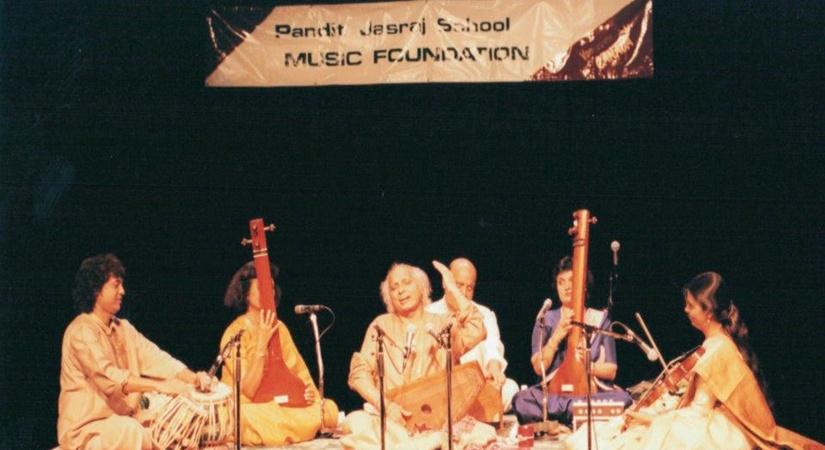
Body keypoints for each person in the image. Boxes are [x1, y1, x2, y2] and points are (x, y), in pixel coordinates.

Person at [565, 272, 824, 450]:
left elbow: (698, 413)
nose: (685, 310)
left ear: (708, 311)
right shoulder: (712, 344)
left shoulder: (719, 351)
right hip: (693, 418)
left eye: (690, 305)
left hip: (708, 431)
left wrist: (652, 420)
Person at [58, 254, 215, 450]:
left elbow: (157, 359)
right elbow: (109, 377)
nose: (122, 291)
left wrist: (193, 379)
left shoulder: (124, 328)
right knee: (131, 431)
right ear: (96, 290)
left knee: (177, 419)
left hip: (123, 420)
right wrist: (161, 386)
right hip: (88, 430)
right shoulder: (81, 331)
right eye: (116, 285)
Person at [341, 261, 490, 449]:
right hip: (392, 420)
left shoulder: (442, 324)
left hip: (437, 419)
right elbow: (358, 374)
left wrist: (453, 290)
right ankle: (425, 443)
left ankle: (423, 442)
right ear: (389, 297)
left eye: (406, 283)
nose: (400, 291)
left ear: (422, 288)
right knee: (355, 421)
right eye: (394, 288)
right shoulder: (381, 326)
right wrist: (386, 406)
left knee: (480, 432)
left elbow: (477, 330)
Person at [219, 261, 339, 446]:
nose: (270, 292)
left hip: (283, 404)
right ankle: (295, 430)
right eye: (262, 287)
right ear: (246, 294)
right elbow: (247, 389)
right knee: (242, 417)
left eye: (272, 287)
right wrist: (261, 343)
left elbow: (298, 371)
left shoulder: (280, 328)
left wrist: (307, 393)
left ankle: (280, 432)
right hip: (251, 406)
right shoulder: (235, 332)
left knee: (328, 409)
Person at [511, 256, 632, 425]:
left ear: (584, 284)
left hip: (590, 392)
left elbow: (611, 370)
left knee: (624, 399)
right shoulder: (545, 319)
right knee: (522, 400)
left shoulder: (600, 318)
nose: (566, 286)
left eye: (571, 280)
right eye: (561, 282)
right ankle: (581, 411)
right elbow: (538, 368)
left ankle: (563, 413)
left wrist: (588, 365)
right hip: (554, 393)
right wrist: (557, 336)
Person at [425, 257, 519, 413]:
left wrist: (494, 368)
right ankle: (470, 414)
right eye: (459, 285)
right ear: (445, 283)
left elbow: (492, 345)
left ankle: (467, 413)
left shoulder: (483, 313)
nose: (463, 293)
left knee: (511, 388)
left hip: (477, 388)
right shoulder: (429, 313)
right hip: (442, 388)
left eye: (469, 288)